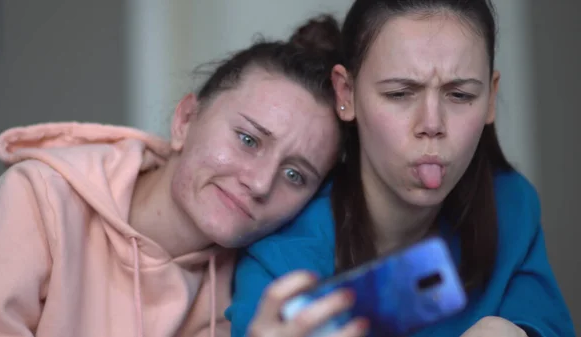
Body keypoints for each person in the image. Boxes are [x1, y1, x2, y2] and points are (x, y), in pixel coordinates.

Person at [226, 1, 576, 337]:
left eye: (460, 95)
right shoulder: (281, 259)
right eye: (399, 93)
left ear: (490, 98)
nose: (432, 124)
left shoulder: (512, 207)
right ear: (346, 93)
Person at [0, 18, 343, 337]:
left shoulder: (251, 285)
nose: (261, 183)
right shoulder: (38, 200)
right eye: (248, 140)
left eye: (295, 175)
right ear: (184, 120)